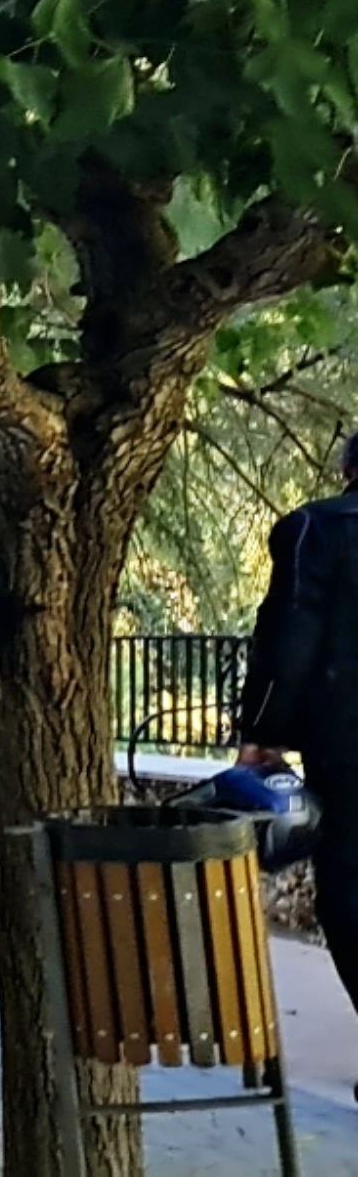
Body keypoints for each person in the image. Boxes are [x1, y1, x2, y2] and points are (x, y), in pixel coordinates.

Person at [237, 429, 358, 1010]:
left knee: (347, 890)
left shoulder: (318, 530)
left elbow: (288, 638)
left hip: (346, 750)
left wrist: (261, 733)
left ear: (347, 470)